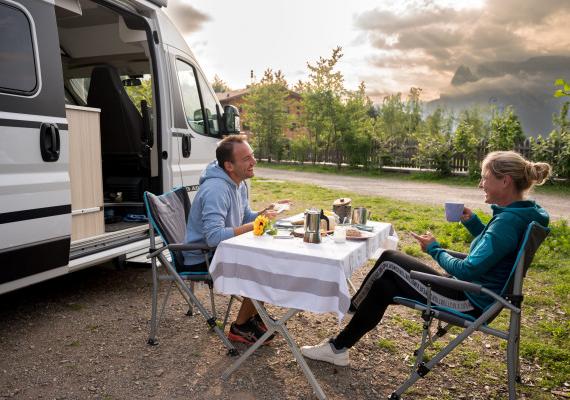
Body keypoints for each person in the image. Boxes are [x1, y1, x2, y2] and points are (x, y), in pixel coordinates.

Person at [301, 151, 551, 366]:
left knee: (389, 259)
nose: (481, 184)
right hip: (484, 294)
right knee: (385, 284)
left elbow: (468, 269)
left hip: (470, 299)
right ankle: (338, 347)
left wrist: (435, 249)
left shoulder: (507, 222)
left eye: (485, 177)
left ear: (505, 181)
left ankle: (348, 308)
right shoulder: (522, 214)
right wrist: (474, 224)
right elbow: (498, 249)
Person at [183, 134, 288, 345]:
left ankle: (253, 317)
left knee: (273, 257)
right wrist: (256, 224)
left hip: (223, 249)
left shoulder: (237, 183)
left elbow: (245, 215)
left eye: (253, 155)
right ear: (229, 165)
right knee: (264, 267)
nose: (254, 161)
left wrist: (265, 212)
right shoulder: (216, 189)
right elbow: (213, 237)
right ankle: (240, 327)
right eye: (246, 158)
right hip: (203, 256)